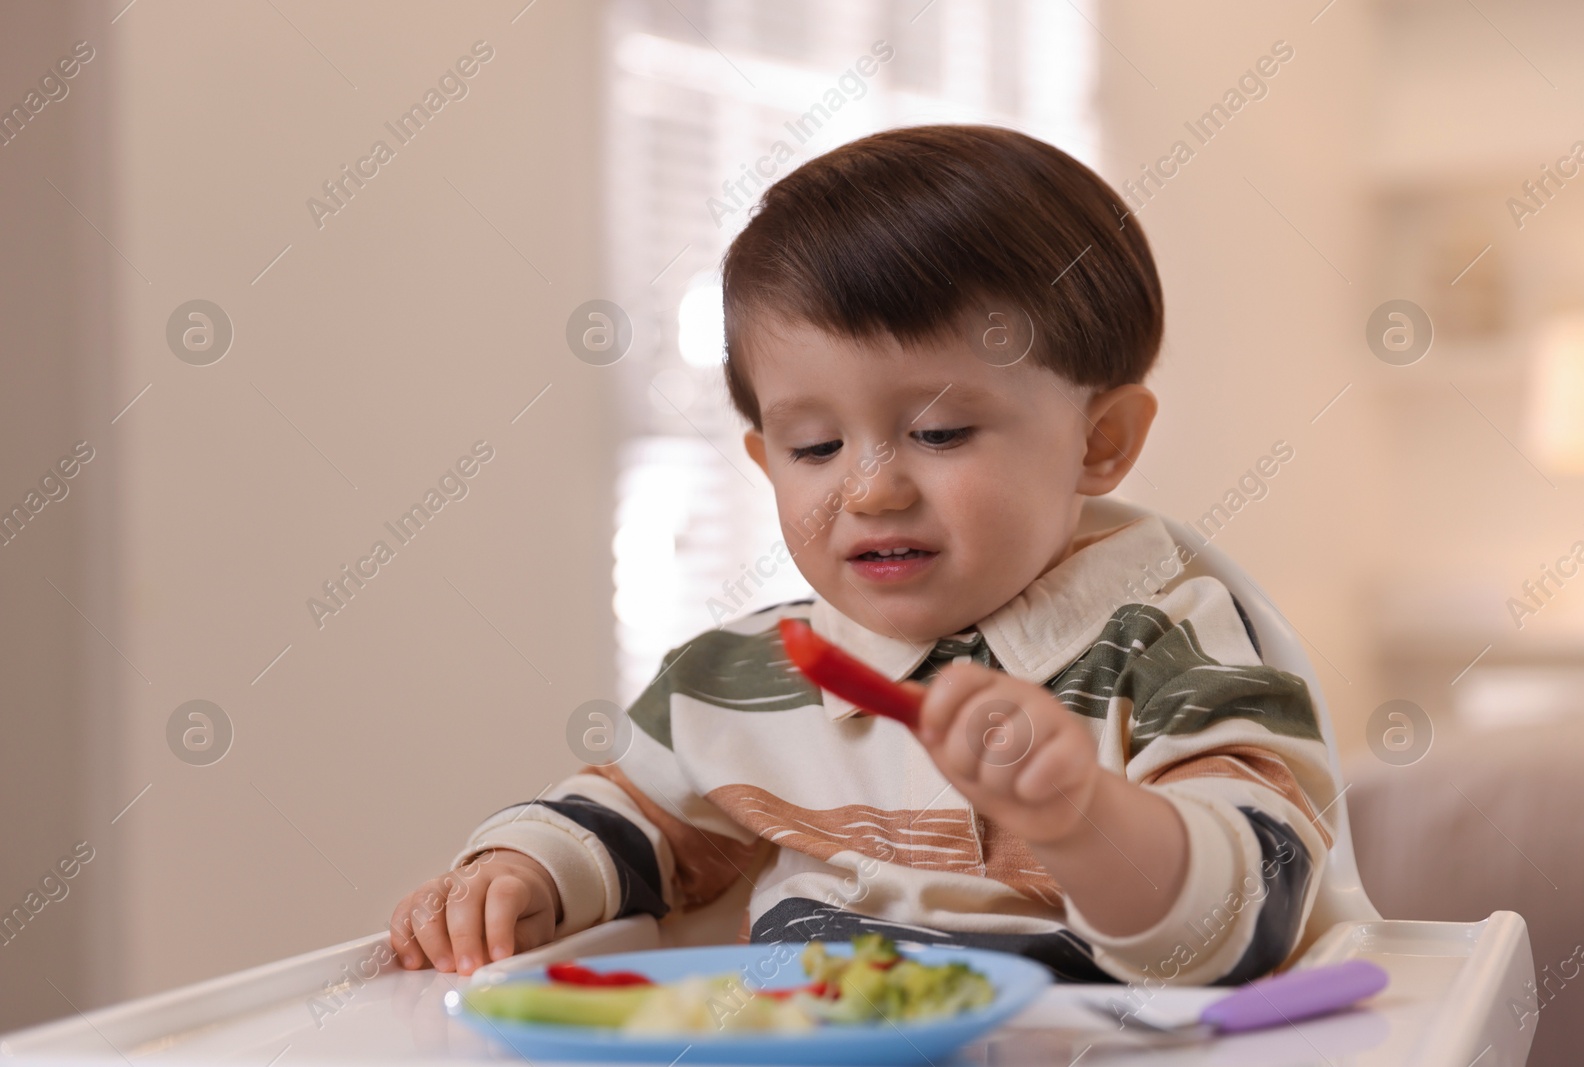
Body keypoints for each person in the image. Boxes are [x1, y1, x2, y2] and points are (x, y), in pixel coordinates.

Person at [389, 124, 1336, 986]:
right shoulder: (742, 677)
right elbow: (635, 817)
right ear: (765, 461)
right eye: (814, 448)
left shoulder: (1175, 645)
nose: (871, 488)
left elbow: (1240, 922)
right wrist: (520, 870)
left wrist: (1085, 818)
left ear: (1100, 441)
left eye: (943, 431)